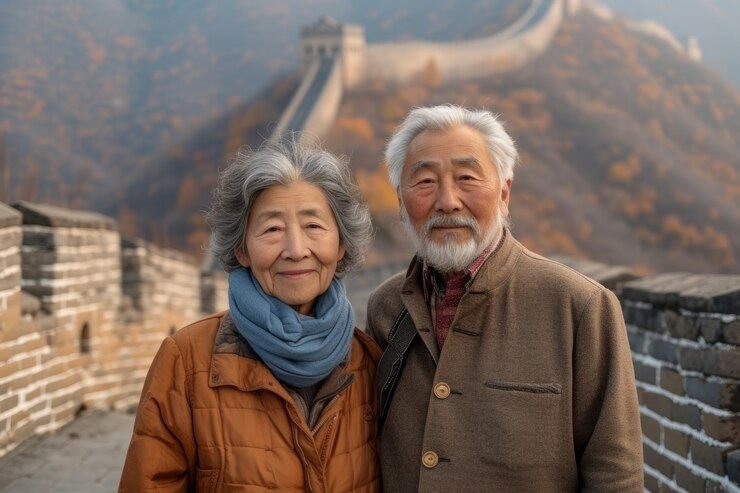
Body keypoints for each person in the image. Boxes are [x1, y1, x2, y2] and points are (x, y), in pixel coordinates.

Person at [366, 105, 643, 492]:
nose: (447, 201)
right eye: (425, 181)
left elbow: (615, 475)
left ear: (504, 192)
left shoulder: (578, 306)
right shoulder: (386, 308)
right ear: (400, 201)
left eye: (466, 178)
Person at [119, 139, 381, 492]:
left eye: (314, 226)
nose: (295, 250)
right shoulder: (186, 361)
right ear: (242, 249)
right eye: (272, 229)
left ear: (341, 244)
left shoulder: (371, 363)